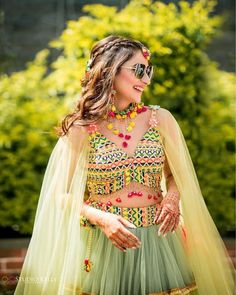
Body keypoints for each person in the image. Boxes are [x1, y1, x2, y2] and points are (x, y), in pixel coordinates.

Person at [14, 35, 235, 295]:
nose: (146, 79)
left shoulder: (161, 119)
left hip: (159, 243)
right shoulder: (82, 129)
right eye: (139, 70)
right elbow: (60, 194)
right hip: (101, 244)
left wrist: (173, 199)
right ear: (110, 70)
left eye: (149, 71)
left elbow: (176, 175)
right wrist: (103, 219)